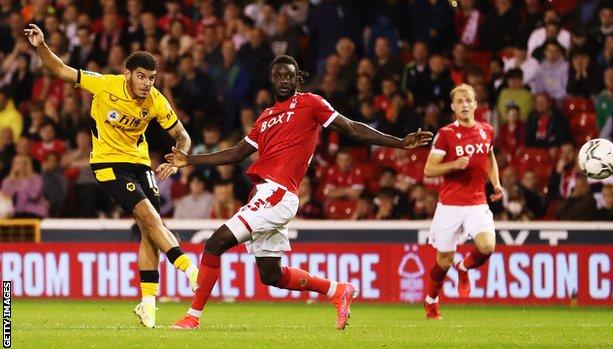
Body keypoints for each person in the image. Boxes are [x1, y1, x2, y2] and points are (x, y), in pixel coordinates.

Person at [166, 55, 433, 330]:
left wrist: (399, 143)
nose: (284, 80)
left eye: (289, 75)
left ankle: (193, 317)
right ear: (271, 80)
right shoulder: (265, 118)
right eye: (279, 75)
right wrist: (189, 159)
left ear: (298, 79)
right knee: (271, 275)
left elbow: (352, 127)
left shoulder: (311, 103)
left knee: (215, 243)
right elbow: (236, 153)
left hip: (278, 193)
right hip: (264, 195)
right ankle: (336, 290)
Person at [24, 24, 199, 328]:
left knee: (150, 229)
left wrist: (181, 154)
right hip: (107, 163)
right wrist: (41, 46)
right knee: (148, 216)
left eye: (152, 78)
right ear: (127, 73)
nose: (146, 84)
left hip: (140, 163)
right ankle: (190, 270)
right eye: (141, 76)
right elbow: (61, 70)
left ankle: (147, 304)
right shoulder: (104, 85)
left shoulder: (155, 99)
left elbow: (182, 134)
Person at [422, 83, 502, 319]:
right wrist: (453, 165)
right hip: (449, 206)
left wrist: (495, 183)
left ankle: (464, 267)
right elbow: (429, 169)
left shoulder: (486, 130)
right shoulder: (446, 135)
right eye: (459, 101)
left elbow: (490, 158)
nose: (465, 104)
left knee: (487, 246)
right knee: (444, 260)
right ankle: (431, 300)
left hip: (477, 202)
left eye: (468, 100)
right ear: (453, 107)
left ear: (476, 104)